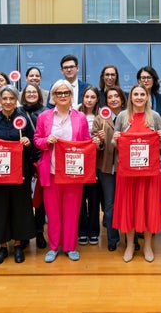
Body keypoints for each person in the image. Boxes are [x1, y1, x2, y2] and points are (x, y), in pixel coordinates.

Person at [34, 80, 94, 262]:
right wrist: (46, 141)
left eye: (66, 93)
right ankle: (53, 247)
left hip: (72, 173)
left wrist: (94, 143)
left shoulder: (80, 117)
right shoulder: (44, 117)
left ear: (71, 96)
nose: (62, 96)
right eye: (58, 93)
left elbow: (85, 141)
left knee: (72, 212)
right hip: (51, 172)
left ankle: (69, 246)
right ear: (53, 96)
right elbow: (37, 140)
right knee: (52, 213)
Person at [0, 86, 37, 265]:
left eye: (11, 98)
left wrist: (27, 143)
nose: (7, 102)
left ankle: (19, 245)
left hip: (20, 172)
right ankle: (3, 246)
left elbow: (33, 147)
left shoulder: (24, 121)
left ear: (16, 100)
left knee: (19, 207)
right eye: (4, 98)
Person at [113, 84, 161, 262]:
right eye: (136, 94)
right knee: (129, 208)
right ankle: (129, 245)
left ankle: (148, 246)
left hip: (150, 174)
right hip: (127, 173)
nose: (139, 97)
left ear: (147, 97)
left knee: (148, 208)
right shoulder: (122, 116)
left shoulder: (155, 117)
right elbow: (115, 144)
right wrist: (116, 138)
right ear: (131, 97)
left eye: (142, 94)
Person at [92, 86, 126, 252]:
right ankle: (113, 238)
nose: (113, 99)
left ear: (122, 99)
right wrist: (99, 141)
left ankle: (131, 238)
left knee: (127, 202)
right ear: (106, 100)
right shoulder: (100, 119)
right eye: (110, 97)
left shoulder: (129, 117)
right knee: (109, 204)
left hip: (125, 167)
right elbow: (94, 144)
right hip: (106, 167)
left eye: (116, 96)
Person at [21, 82, 49, 249]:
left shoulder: (46, 112)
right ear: (24, 95)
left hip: (41, 160)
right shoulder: (18, 112)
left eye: (34, 92)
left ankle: (39, 232)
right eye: (28, 92)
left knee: (40, 200)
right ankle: (25, 233)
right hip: (23, 161)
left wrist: (41, 160)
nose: (31, 94)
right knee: (23, 198)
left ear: (39, 94)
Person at [77, 86, 102, 245]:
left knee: (94, 199)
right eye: (87, 97)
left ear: (97, 99)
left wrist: (100, 141)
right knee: (79, 198)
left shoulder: (101, 116)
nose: (89, 100)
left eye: (93, 97)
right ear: (82, 98)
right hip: (78, 162)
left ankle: (93, 231)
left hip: (95, 163)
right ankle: (81, 230)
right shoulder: (75, 114)